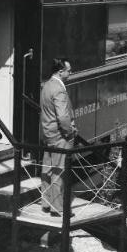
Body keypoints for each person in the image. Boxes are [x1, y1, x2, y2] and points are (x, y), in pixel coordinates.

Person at [40, 58, 77, 217]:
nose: (71, 73)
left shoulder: (47, 85)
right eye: (69, 70)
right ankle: (58, 208)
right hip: (60, 136)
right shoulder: (59, 90)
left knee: (48, 169)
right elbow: (62, 116)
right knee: (59, 172)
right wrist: (70, 132)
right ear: (60, 71)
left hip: (48, 134)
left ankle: (46, 203)